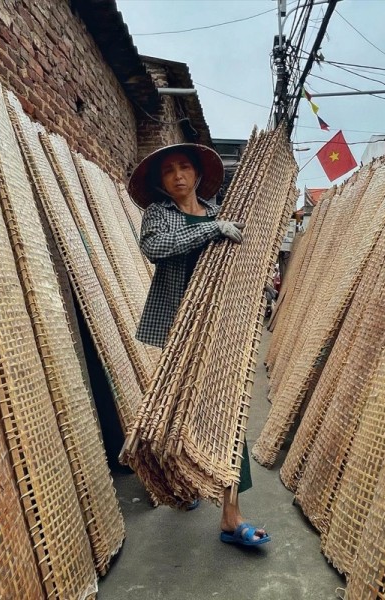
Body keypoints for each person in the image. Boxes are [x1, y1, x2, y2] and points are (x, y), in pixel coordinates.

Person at [128, 143, 270, 547]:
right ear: (161, 182)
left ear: (196, 173)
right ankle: (181, 481)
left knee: (228, 413)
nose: (178, 176)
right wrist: (213, 230)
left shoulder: (219, 215)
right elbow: (157, 247)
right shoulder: (161, 215)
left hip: (219, 329)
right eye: (169, 171)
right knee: (176, 412)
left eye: (184, 167)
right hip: (177, 328)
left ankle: (231, 514)